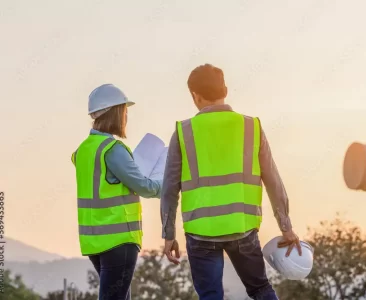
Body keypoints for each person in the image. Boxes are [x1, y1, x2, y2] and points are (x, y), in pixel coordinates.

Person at [160, 64, 302, 300]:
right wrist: (285, 227)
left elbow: (169, 189)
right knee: (260, 288)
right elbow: (273, 181)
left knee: (210, 296)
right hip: (242, 228)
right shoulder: (251, 126)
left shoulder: (183, 132)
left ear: (195, 96)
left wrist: (168, 234)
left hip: (200, 232)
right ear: (225, 89)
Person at [71, 84, 162, 300]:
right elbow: (145, 187)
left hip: (93, 242)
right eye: (125, 111)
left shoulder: (82, 150)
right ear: (115, 113)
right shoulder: (112, 149)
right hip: (119, 241)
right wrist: (166, 183)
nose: (126, 117)